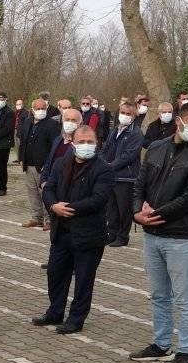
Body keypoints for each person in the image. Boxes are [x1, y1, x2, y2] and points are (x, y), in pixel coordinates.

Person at [129, 100, 188, 363]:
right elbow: (139, 184)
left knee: (186, 298)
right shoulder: (156, 148)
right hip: (152, 234)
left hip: (182, 237)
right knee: (158, 294)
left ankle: (187, 352)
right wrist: (137, 212)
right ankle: (161, 344)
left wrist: (155, 214)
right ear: (179, 120)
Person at [32, 125, 115, 333]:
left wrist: (68, 208)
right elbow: (49, 188)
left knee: (84, 280)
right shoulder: (61, 163)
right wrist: (53, 206)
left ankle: (76, 319)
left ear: (97, 143)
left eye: (90, 142)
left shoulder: (103, 168)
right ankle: (55, 312)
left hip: (88, 234)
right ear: (72, 143)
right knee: (55, 274)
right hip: (61, 232)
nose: (86, 145)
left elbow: (98, 199)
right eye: (81, 142)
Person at [101, 100, 142, 247]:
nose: (124, 115)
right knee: (111, 207)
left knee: (123, 208)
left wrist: (110, 166)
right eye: (123, 112)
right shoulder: (115, 130)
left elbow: (129, 155)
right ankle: (112, 233)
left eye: (128, 114)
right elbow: (106, 149)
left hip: (126, 176)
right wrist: (101, 163)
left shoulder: (136, 133)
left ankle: (123, 236)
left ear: (134, 116)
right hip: (112, 175)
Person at [18, 98, 61, 228]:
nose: (41, 111)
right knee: (32, 192)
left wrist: (49, 164)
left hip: (43, 165)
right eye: (38, 109)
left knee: (45, 192)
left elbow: (55, 146)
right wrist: (21, 158)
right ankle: (36, 217)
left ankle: (49, 219)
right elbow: (23, 142)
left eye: (43, 108)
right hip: (28, 163)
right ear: (32, 110)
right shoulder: (27, 122)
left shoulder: (52, 124)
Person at [40, 108, 83, 186]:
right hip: (50, 184)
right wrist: (43, 181)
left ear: (80, 123)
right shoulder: (58, 140)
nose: (70, 123)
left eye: (73, 120)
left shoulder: (82, 144)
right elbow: (49, 161)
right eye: (67, 120)